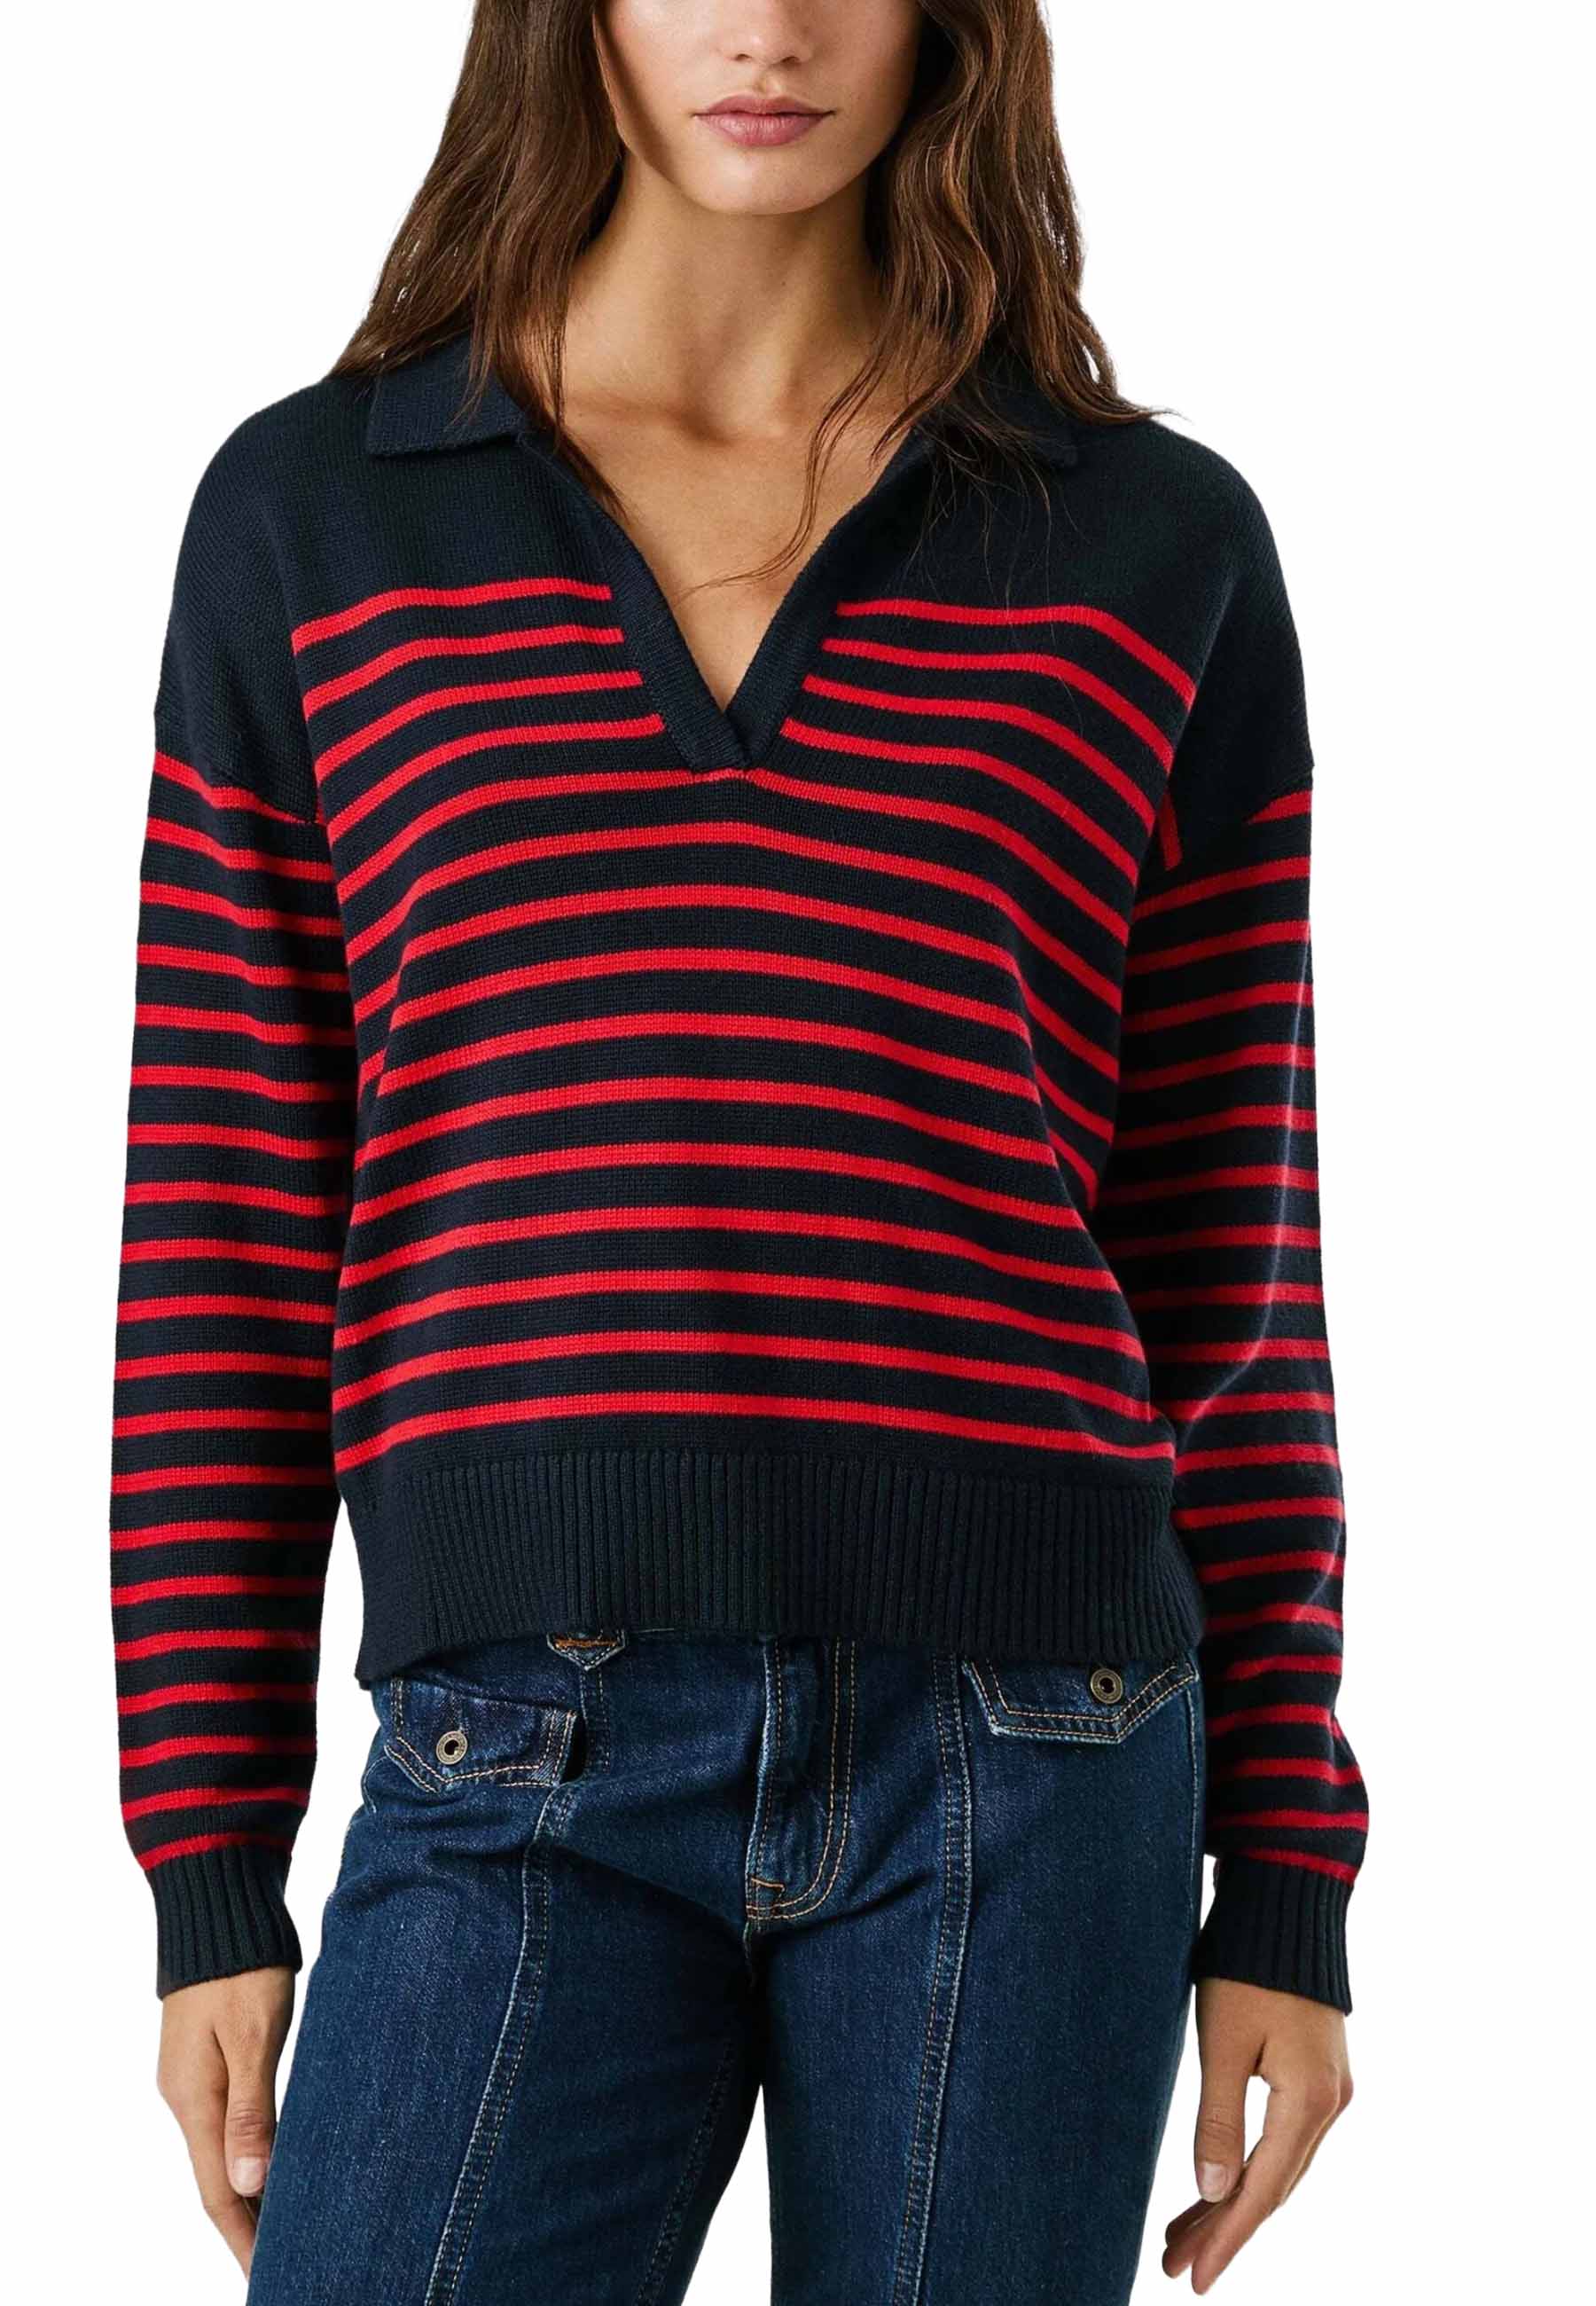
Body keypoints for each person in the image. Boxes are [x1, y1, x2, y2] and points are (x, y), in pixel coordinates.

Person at [109, 4, 1365, 2299]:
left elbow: (1233, 1261)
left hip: (1040, 1751)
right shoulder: (318, 520)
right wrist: (208, 1857)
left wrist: (1287, 1862)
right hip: (513, 1743)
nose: (769, 29)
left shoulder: (1150, 546)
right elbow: (222, 1226)